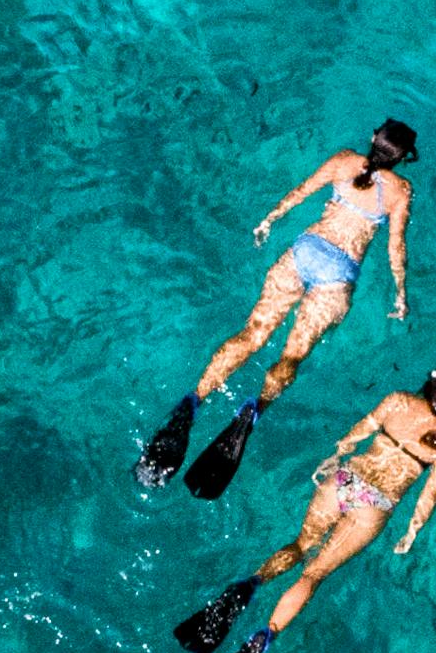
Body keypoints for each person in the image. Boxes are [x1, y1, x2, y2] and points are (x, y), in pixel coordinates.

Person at [173, 363, 436, 653]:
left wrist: (335, 456)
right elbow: (431, 491)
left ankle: (250, 585)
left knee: (300, 545)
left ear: (429, 385)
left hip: (346, 479)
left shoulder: (398, 400)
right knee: (313, 575)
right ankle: (263, 637)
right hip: (374, 505)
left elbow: (358, 433)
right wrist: (412, 530)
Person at [136, 121, 418, 498]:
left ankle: (194, 400)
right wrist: (400, 293)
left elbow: (301, 191)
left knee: (253, 334)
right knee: (292, 356)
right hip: (337, 276)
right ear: (403, 159)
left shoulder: (344, 161)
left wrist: (269, 219)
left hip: (305, 252)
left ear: (372, 138)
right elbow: (395, 247)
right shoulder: (400, 190)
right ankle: (253, 411)